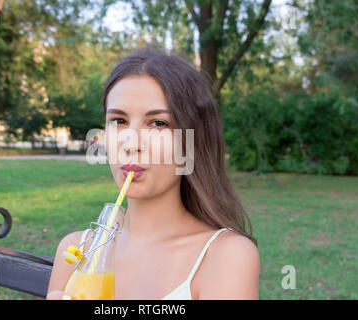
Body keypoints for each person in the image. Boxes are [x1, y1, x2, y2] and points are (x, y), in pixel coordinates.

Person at [47, 46, 260, 300]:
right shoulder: (75, 251)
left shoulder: (227, 257)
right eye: (119, 121)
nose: (131, 143)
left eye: (158, 123)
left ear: (192, 143)